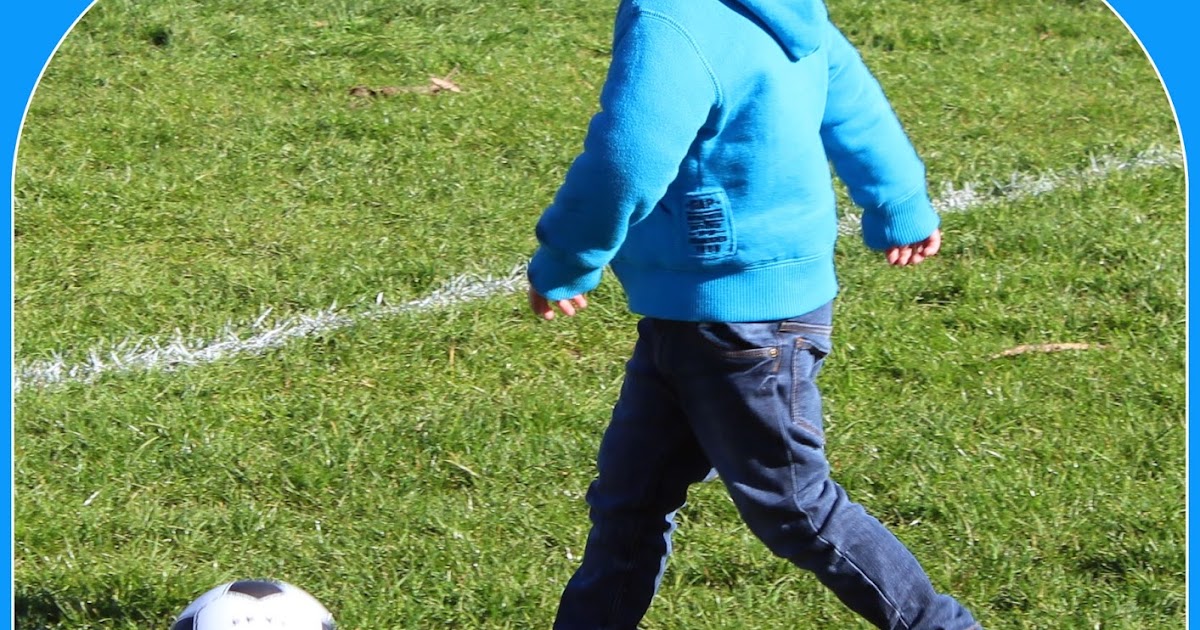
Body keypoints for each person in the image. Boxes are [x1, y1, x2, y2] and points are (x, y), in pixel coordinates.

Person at [525, 0, 980, 628]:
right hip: (703, 313)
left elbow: (626, 157)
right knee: (630, 500)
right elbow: (856, 106)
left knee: (796, 507)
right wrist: (900, 199)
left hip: (734, 322)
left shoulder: (672, 20)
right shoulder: (781, 8)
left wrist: (568, 257)